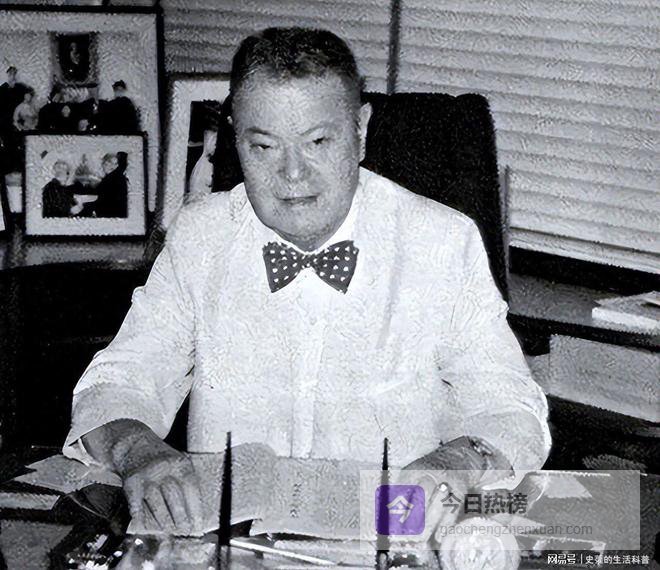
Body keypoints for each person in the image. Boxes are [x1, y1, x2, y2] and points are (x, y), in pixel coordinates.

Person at [65, 28, 550, 537]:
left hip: (393, 540)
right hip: (229, 546)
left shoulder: (443, 241)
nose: (292, 174)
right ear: (235, 138)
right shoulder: (201, 237)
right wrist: (140, 451)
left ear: (360, 131)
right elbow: (118, 382)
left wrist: (457, 461)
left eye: (318, 142)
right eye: (263, 146)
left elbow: (511, 408)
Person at [92, 152, 128, 218]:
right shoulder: (116, 177)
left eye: (115, 164)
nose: (112, 166)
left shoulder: (112, 178)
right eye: (108, 163)